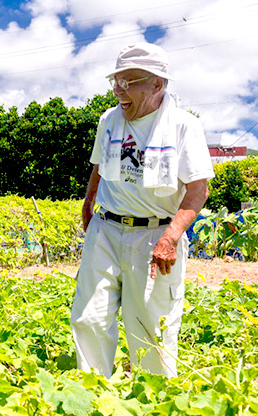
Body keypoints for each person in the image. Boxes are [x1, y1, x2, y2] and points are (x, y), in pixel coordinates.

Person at [70, 43, 214, 378]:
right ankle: (93, 393)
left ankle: (153, 399)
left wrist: (171, 237)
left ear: (157, 84)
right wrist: (89, 202)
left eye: (128, 82)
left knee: (149, 326)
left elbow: (198, 190)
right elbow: (99, 166)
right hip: (106, 229)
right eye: (116, 82)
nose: (119, 91)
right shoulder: (109, 119)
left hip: (154, 235)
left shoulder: (183, 126)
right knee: (88, 316)